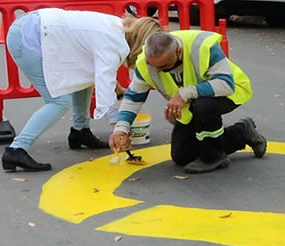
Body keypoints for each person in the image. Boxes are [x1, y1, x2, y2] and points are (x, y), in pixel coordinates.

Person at [2, 9, 163, 172]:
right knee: (59, 102)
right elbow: (105, 85)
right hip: (30, 38)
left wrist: (116, 93)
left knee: (82, 78)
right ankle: (16, 149)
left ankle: (80, 131)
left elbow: (97, 71)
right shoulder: (113, 45)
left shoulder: (116, 29)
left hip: (32, 29)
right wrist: (119, 127)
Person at [109, 30, 267, 174]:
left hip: (229, 92)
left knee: (203, 106)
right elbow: (133, 97)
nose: (157, 70)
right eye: (153, 65)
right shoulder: (145, 62)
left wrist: (184, 94)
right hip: (190, 103)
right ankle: (242, 132)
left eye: (164, 66)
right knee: (182, 156)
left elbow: (226, 84)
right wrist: (121, 129)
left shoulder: (202, 46)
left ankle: (214, 157)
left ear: (178, 51)